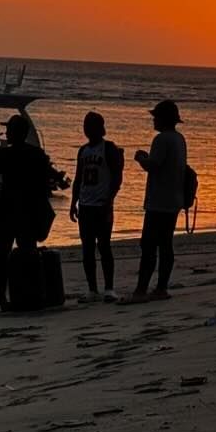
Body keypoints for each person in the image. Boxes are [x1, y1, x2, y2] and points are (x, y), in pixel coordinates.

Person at [0, 112, 65, 312]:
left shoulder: (5, 154)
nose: (6, 133)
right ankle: (33, 293)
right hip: (28, 211)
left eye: (9, 130)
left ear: (15, 133)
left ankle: (4, 298)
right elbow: (55, 179)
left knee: (3, 255)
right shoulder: (36, 154)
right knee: (28, 252)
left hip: (8, 210)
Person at [125, 99, 188, 303]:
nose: (153, 120)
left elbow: (154, 166)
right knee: (165, 244)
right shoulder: (180, 139)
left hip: (159, 201)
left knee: (149, 245)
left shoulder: (162, 140)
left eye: (156, 117)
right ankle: (161, 288)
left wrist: (141, 158)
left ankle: (141, 291)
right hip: (174, 199)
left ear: (163, 119)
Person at [70, 111, 123, 302]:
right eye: (85, 125)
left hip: (102, 205)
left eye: (91, 125)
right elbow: (78, 179)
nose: (87, 129)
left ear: (100, 128)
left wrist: (109, 201)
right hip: (85, 205)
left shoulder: (109, 149)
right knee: (87, 248)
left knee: (104, 246)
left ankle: (109, 288)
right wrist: (73, 202)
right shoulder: (83, 151)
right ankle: (92, 289)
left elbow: (117, 178)